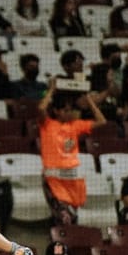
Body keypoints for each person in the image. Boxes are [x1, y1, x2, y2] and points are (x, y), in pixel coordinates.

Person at [39, 82, 104, 226]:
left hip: (72, 178)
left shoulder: (76, 125)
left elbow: (101, 121)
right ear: (56, 111)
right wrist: (51, 89)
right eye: (65, 110)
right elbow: (41, 108)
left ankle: (66, 245)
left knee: (72, 217)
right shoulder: (48, 125)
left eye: (70, 110)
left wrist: (90, 101)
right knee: (62, 217)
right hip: (53, 178)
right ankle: (57, 245)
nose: (69, 113)